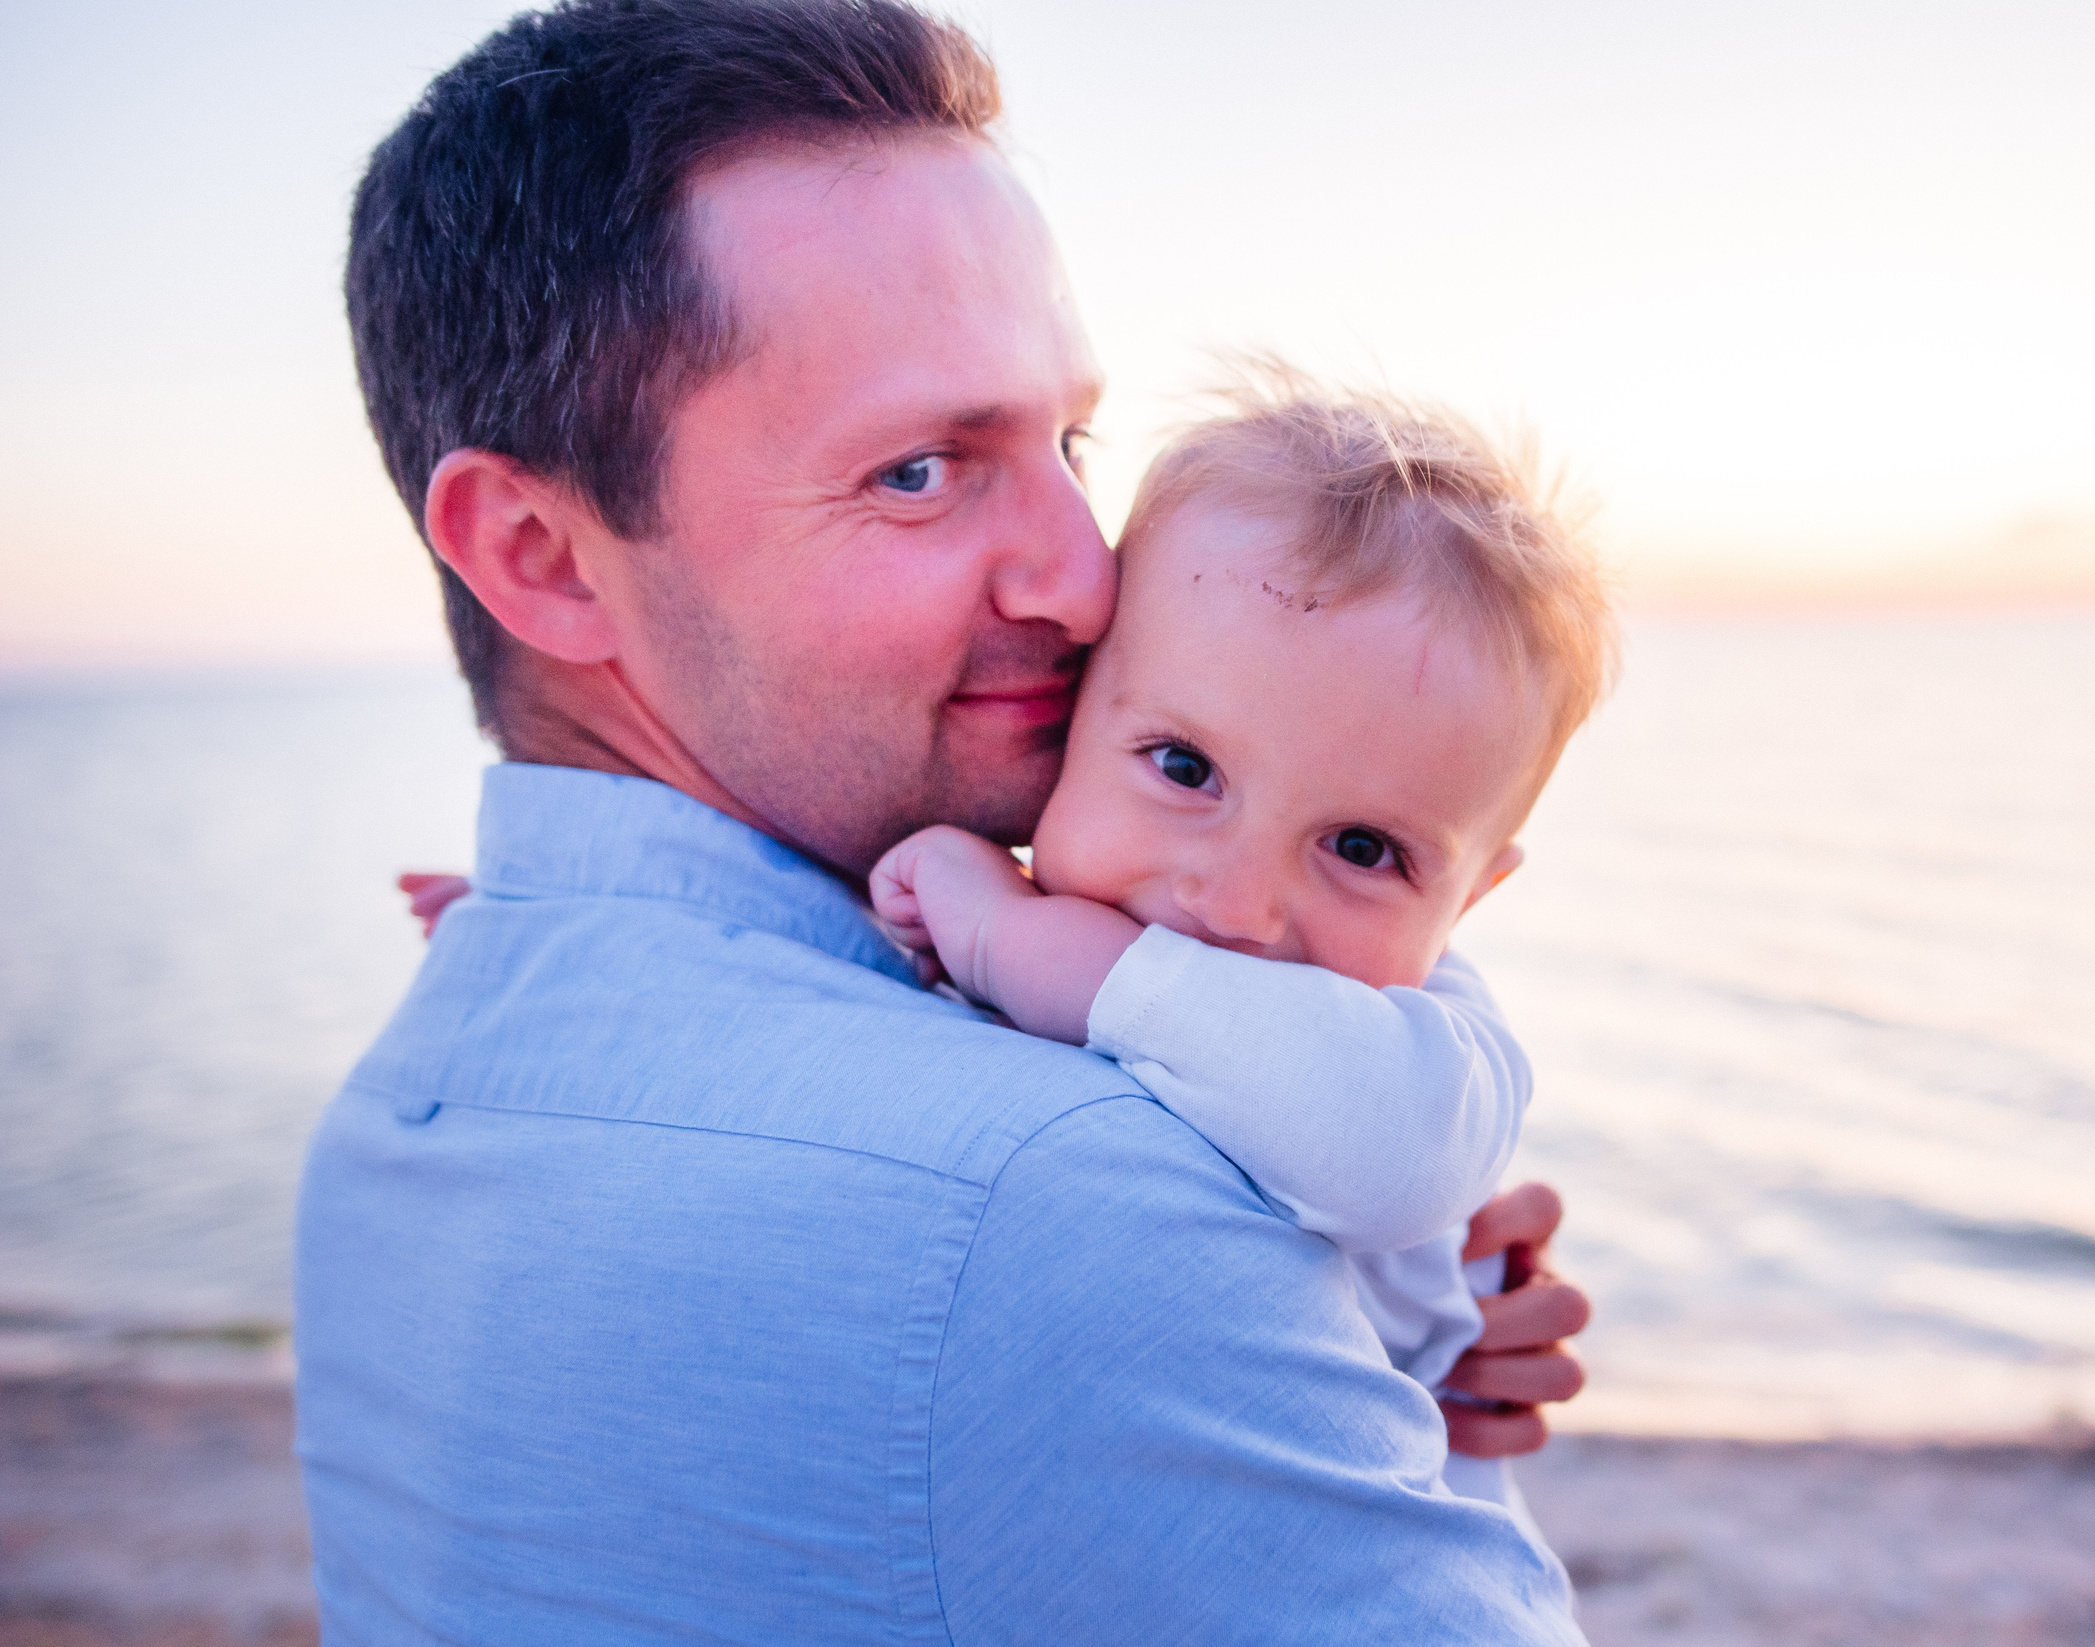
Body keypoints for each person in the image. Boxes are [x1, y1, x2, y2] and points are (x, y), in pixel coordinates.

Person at [295, 2, 1592, 1641]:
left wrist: (1362, 1326)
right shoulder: (1071, 1203)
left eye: (1067, 440)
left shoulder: (392, 1118)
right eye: (920, 469)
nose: (1084, 572)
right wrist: (1430, 1433)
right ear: (545, 556)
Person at [869, 379, 1618, 1532]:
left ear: (1469, 901)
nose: (1236, 906)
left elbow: (1386, 1152)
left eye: (1364, 850)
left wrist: (1022, 943)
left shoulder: (1436, 1056)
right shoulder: (1001, 900)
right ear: (1064, 725)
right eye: (1182, 769)